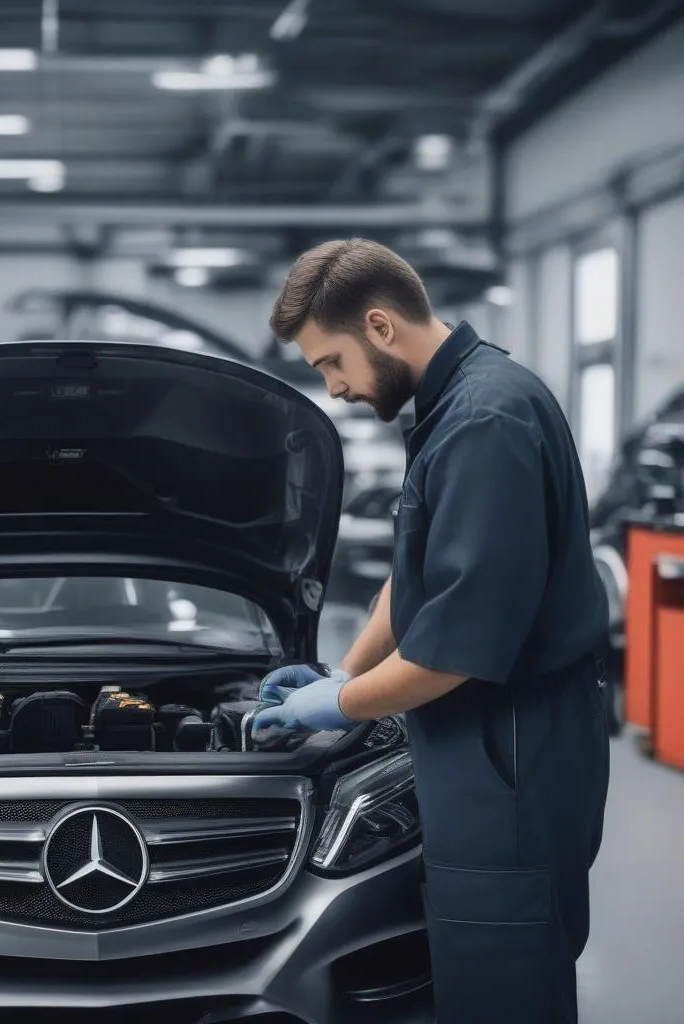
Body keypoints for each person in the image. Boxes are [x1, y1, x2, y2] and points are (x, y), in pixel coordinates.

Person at [252, 239, 611, 1023]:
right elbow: (419, 577)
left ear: (379, 325)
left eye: (328, 363)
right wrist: (342, 674)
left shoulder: (485, 421)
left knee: (502, 989)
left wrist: (339, 709)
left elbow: (452, 654)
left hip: (507, 755)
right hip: (494, 748)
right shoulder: (461, 405)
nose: (336, 388)